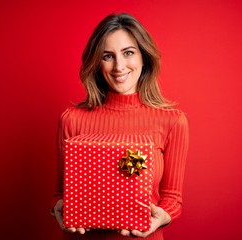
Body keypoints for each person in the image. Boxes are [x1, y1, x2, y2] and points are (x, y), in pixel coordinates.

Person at [51, 13, 189, 240]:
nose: (119, 66)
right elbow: (59, 193)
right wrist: (58, 208)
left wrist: (162, 216)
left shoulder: (173, 121)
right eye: (108, 56)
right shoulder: (72, 119)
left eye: (128, 53)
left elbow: (172, 198)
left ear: (143, 57)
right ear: (97, 62)